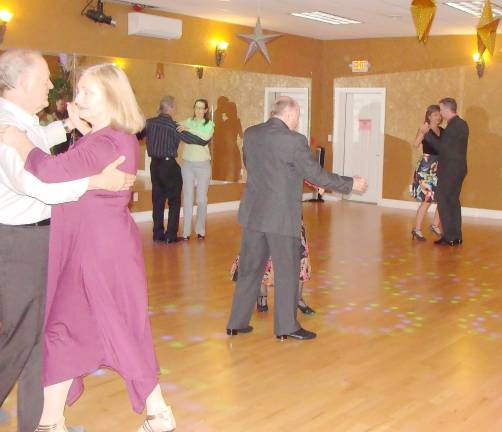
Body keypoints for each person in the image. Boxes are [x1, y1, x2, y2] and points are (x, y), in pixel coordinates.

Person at [3, 64, 176, 432]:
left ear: (110, 98)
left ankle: (53, 423)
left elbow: (49, 171)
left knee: (79, 330)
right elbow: (75, 166)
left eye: (86, 93)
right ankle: (56, 422)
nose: (75, 99)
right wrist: (76, 131)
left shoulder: (106, 142)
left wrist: (21, 144)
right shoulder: (111, 137)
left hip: (94, 252)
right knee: (90, 330)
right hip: (102, 246)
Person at [226, 96, 367, 341]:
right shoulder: (294, 140)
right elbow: (314, 172)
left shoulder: (251, 134)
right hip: (280, 216)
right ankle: (286, 327)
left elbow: (258, 167)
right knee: (287, 271)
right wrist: (351, 183)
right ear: (289, 114)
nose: (297, 121)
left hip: (253, 212)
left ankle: (235, 323)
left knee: (249, 269)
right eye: (298, 116)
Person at [140, 96, 210, 244]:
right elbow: (198, 140)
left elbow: (137, 135)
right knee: (174, 201)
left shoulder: (149, 123)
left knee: (157, 200)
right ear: (171, 108)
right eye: (174, 107)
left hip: (154, 166)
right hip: (169, 166)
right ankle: (170, 235)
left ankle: (157, 234)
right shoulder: (174, 126)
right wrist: (203, 140)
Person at [419, 97, 469, 246]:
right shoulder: (462, 124)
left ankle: (449, 237)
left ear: (447, 109)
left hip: (449, 170)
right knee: (453, 201)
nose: (440, 113)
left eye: (441, 109)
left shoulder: (453, 127)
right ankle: (456, 236)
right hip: (459, 168)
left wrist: (426, 133)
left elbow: (442, 149)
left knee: (444, 201)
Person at [177, 98, 215, 240]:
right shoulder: (188, 121)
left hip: (203, 164)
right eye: (196, 108)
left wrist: (189, 130)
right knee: (187, 198)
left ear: (205, 110)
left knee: (201, 199)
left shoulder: (209, 124)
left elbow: (205, 136)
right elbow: (176, 127)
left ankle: (200, 230)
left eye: (201, 108)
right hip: (187, 164)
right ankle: (186, 233)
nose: (198, 110)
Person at [410, 105, 442, 241]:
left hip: (439, 166)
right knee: (427, 200)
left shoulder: (442, 130)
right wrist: (423, 132)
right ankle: (416, 229)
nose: (438, 117)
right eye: (435, 114)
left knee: (442, 198)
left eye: (439, 114)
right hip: (427, 167)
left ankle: (435, 225)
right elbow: (415, 144)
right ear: (429, 116)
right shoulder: (425, 128)